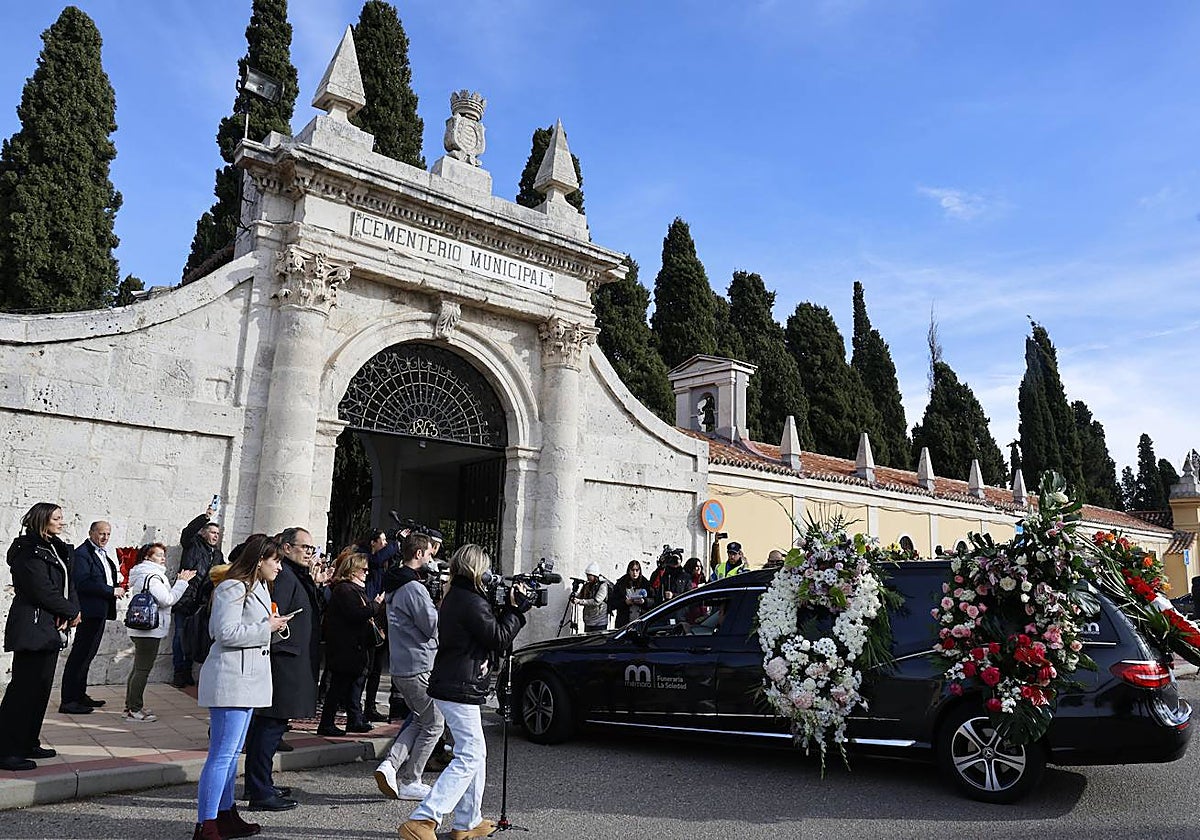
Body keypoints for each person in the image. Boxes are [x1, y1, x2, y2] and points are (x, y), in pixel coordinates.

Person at [399, 544, 530, 840]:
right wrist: (515, 612)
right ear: (475, 569)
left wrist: (506, 609)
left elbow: (483, 634)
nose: (490, 575)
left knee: (475, 753)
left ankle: (468, 821)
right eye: (486, 569)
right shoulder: (469, 600)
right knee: (470, 755)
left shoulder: (460, 596)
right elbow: (497, 637)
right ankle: (424, 818)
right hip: (458, 686)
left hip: (457, 683)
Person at [192, 534, 291, 840]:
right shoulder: (233, 587)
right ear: (259, 559)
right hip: (232, 677)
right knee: (222, 754)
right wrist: (267, 627)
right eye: (275, 561)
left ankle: (225, 813)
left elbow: (250, 632)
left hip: (247, 678)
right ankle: (206, 823)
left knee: (233, 753)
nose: (279, 568)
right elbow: (225, 632)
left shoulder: (258, 585)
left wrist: (275, 627)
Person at [242, 527, 329, 812]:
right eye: (305, 547)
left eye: (311, 549)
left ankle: (260, 783)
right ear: (287, 547)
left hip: (292, 659)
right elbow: (273, 613)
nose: (310, 553)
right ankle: (259, 789)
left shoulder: (296, 575)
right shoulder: (283, 575)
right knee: (269, 726)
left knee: (270, 727)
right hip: (282, 661)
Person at [0, 502, 80, 772]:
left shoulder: (54, 548)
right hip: (32, 625)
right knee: (23, 689)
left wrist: (72, 610)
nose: (61, 522)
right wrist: (69, 611)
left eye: (61, 517)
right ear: (42, 519)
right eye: (56, 518)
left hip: (49, 626)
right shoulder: (28, 551)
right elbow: (41, 588)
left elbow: (67, 583)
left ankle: (27, 741)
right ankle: (6, 749)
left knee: (41, 688)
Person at [375, 532, 444, 800]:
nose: (430, 557)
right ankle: (411, 779)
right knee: (435, 723)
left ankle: (390, 765)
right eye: (428, 553)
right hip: (420, 664)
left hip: (403, 664)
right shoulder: (414, 588)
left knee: (420, 719)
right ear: (418, 554)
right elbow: (432, 627)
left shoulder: (394, 584)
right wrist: (440, 607)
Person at [124, 542, 196, 722]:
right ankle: (134, 709)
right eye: (158, 555)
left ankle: (131, 705)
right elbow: (168, 600)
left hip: (142, 629)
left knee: (138, 668)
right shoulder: (152, 576)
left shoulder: (144, 574)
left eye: (163, 555)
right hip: (148, 631)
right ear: (148, 557)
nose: (163, 558)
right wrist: (182, 583)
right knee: (142, 669)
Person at [61, 520, 126, 714]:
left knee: (87, 655)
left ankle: (80, 694)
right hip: (88, 611)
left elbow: (103, 577)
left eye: (108, 534)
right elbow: (83, 583)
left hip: (99, 611)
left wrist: (119, 587)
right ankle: (69, 699)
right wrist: (110, 590)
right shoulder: (83, 554)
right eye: (101, 533)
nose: (105, 537)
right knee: (80, 655)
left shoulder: (101, 553)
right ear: (91, 533)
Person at [317, 550, 383, 737]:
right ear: (353, 570)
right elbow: (356, 614)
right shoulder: (345, 590)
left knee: (354, 685)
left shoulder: (354, 590)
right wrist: (375, 606)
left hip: (355, 647)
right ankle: (327, 723)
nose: (366, 573)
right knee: (338, 686)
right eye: (364, 569)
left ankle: (354, 719)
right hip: (345, 647)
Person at [173, 509, 224, 688]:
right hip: (185, 597)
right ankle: (179, 672)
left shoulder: (218, 555)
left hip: (202, 603)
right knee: (180, 636)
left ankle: (189, 670)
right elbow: (187, 532)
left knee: (194, 637)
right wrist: (205, 517)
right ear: (203, 533)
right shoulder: (193, 544)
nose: (215, 536)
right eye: (212, 532)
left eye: (218, 533)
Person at [359, 527, 399, 723]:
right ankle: (355, 707)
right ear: (373, 542)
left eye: (386, 541)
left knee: (376, 667)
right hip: (368, 615)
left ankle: (370, 706)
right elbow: (375, 560)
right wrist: (396, 542)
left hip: (382, 617)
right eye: (381, 541)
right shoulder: (366, 558)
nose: (385, 545)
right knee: (364, 667)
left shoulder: (385, 563)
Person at [612, 560, 655, 627]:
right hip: (624, 622)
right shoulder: (621, 583)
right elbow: (613, 602)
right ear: (629, 571)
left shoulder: (646, 583)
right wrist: (625, 602)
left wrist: (644, 601)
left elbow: (654, 600)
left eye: (637, 570)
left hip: (641, 622)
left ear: (639, 571)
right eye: (632, 570)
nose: (634, 573)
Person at [571, 562, 610, 633]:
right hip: (589, 621)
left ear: (595, 575)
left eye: (589, 575)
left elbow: (596, 601)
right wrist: (574, 595)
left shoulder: (603, 586)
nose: (587, 577)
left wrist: (579, 601)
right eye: (587, 575)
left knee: (597, 642)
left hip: (599, 622)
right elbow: (582, 595)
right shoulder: (588, 585)